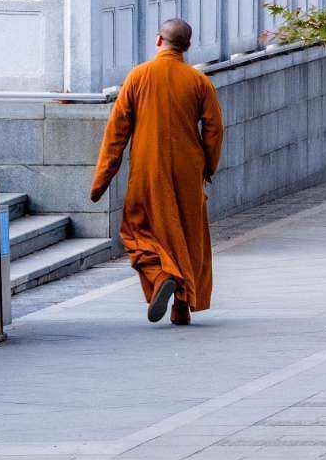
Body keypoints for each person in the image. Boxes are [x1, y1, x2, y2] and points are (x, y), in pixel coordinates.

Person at [90, 17, 225, 325]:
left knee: (136, 230)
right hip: (188, 169)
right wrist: (208, 165)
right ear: (188, 47)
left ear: (158, 41)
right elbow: (215, 129)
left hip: (148, 169)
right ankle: (181, 305)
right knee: (186, 234)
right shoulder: (198, 81)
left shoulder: (138, 77)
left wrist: (101, 180)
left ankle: (160, 273)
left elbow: (116, 133)